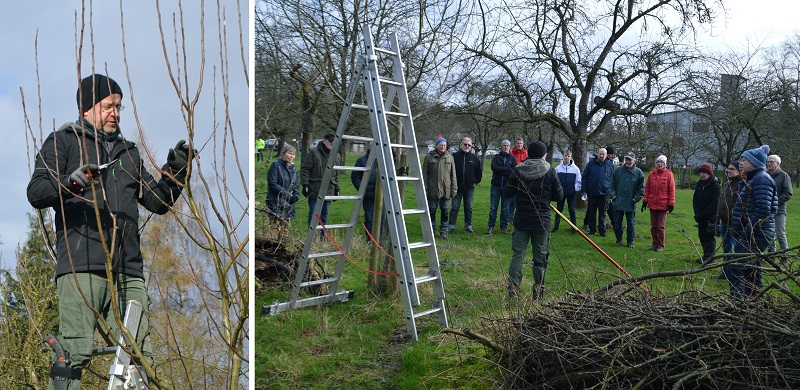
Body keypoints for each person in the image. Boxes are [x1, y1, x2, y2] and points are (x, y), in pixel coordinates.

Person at [27, 74, 193, 389]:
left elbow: (157, 202)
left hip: (128, 267)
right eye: (108, 106)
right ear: (87, 108)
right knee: (72, 354)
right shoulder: (63, 141)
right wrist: (72, 183)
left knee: (140, 354)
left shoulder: (128, 153)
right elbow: (36, 191)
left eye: (118, 106)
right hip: (81, 264)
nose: (115, 112)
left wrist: (177, 173)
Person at [504, 141, 563, 299]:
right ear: (543, 154)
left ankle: (514, 288)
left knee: (518, 255)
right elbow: (559, 195)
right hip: (541, 221)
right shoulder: (550, 171)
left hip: (521, 219)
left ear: (528, 153)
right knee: (540, 257)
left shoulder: (518, 170)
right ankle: (538, 287)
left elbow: (507, 192)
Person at [726, 145, 778, 299]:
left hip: (757, 234)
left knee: (734, 267)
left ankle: (738, 302)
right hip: (751, 233)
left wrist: (746, 232)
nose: (741, 163)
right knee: (751, 270)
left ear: (754, 163)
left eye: (744, 160)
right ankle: (755, 302)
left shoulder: (761, 180)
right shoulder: (751, 179)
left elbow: (763, 211)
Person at [301, 133, 340, 237]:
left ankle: (322, 236)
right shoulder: (314, 152)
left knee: (324, 215)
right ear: (324, 140)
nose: (332, 143)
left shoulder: (336, 155)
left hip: (329, 188)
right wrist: (305, 184)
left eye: (334, 141)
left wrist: (337, 189)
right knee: (314, 213)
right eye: (330, 140)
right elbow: (305, 169)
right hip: (314, 188)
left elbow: (336, 173)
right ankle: (311, 236)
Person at [423, 136, 457, 239]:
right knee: (432, 210)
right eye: (441, 145)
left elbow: (453, 175)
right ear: (436, 145)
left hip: (446, 190)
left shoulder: (450, 157)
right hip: (433, 189)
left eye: (444, 145)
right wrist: (425, 188)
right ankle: (431, 230)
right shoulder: (429, 157)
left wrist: (454, 188)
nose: (443, 147)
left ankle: (443, 230)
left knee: (445, 211)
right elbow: (424, 174)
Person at [609, 152, 644, 248]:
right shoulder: (617, 171)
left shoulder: (638, 173)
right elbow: (611, 185)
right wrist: (613, 196)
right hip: (618, 202)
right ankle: (618, 239)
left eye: (630, 159)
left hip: (631, 203)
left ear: (634, 161)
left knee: (631, 224)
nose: (628, 161)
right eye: (627, 159)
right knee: (617, 223)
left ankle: (630, 242)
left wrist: (635, 199)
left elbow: (641, 189)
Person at [448, 137, 482, 233]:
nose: (467, 146)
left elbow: (479, 172)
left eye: (469, 145)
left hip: (469, 187)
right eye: (465, 144)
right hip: (456, 187)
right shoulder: (454, 157)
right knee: (455, 207)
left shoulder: (474, 158)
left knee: (468, 207)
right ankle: (451, 225)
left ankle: (468, 225)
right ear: (461, 145)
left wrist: (475, 181)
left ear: (471, 146)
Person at [642, 154, 675, 252]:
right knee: (654, 226)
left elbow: (671, 189)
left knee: (660, 226)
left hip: (663, 205)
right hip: (652, 203)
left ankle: (661, 245)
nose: (659, 164)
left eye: (661, 162)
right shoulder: (651, 174)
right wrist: (645, 201)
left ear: (664, 164)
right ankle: (654, 244)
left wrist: (671, 203)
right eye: (658, 162)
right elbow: (647, 188)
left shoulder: (669, 174)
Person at [267, 144, 301, 237]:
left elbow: (296, 185)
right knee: (275, 230)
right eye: (290, 153)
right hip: (275, 202)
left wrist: (296, 196)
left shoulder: (294, 169)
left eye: (294, 154)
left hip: (288, 204)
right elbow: (272, 183)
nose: (292, 156)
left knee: (285, 231)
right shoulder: (276, 165)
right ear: (283, 154)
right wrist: (287, 195)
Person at [580, 147, 614, 237]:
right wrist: (584, 190)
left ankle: (602, 231)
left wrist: (612, 192)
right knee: (592, 212)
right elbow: (585, 177)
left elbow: (613, 179)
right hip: (592, 192)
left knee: (602, 213)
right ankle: (592, 230)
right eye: (600, 153)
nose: (601, 155)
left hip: (605, 193)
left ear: (606, 155)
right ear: (597, 154)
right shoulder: (590, 164)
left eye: (603, 154)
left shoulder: (610, 165)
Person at [716, 161, 741, 279]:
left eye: (732, 169)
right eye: (728, 169)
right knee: (726, 247)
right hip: (724, 220)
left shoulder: (741, 184)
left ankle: (734, 273)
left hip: (735, 222)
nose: (729, 171)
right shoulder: (727, 183)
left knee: (735, 248)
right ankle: (726, 272)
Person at [693, 164, 721, 264]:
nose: (702, 175)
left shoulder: (715, 185)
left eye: (704, 173)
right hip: (700, 215)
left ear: (709, 173)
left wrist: (703, 214)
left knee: (709, 236)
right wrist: (697, 212)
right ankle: (706, 255)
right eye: (701, 172)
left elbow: (714, 203)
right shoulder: (699, 184)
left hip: (711, 216)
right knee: (702, 235)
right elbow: (695, 199)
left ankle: (710, 258)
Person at [487, 139, 516, 235]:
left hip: (507, 186)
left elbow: (512, 171)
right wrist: (505, 169)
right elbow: (493, 167)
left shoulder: (512, 159)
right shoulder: (496, 157)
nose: (506, 147)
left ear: (510, 147)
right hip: (495, 185)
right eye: (504, 145)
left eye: (507, 145)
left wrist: (501, 170)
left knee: (505, 208)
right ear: (501, 146)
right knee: (493, 208)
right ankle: (491, 226)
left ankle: (504, 227)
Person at [767, 154, 793, 253]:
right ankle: (771, 255)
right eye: (768, 162)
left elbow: (788, 193)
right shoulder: (765, 175)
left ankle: (784, 256)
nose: (769, 163)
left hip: (779, 210)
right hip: (767, 210)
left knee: (780, 234)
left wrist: (775, 202)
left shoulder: (784, 176)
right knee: (769, 233)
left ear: (778, 164)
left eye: (771, 162)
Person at [352, 144, 378, 238]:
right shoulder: (361, 160)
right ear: (369, 147)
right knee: (370, 218)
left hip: (382, 196)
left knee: (383, 219)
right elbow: (355, 176)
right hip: (368, 196)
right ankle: (370, 240)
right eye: (373, 145)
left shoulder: (384, 160)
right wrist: (362, 188)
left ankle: (380, 240)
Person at [552, 149, 581, 233]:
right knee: (559, 209)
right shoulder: (557, 169)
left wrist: (575, 189)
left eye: (568, 156)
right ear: (563, 156)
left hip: (571, 193)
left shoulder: (576, 169)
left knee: (571, 210)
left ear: (571, 157)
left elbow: (578, 181)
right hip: (561, 193)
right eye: (565, 156)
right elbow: (555, 181)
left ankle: (574, 228)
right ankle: (556, 227)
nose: (567, 157)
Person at [507, 137, 527, 225]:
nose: (519, 145)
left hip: (523, 179)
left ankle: (520, 217)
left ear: (523, 144)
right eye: (518, 143)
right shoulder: (511, 154)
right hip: (513, 178)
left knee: (521, 200)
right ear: (515, 144)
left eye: (521, 143)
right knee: (511, 200)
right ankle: (510, 218)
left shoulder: (526, 154)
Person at [604, 146, 617, 229]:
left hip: (607, 189)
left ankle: (614, 223)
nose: (612, 156)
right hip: (603, 189)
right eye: (611, 154)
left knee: (609, 207)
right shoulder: (604, 163)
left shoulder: (610, 164)